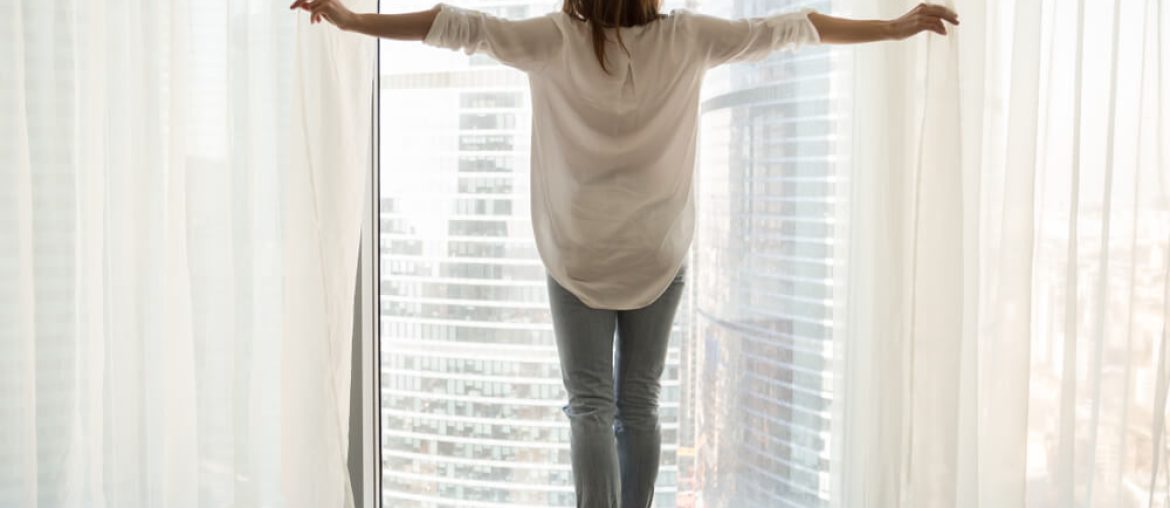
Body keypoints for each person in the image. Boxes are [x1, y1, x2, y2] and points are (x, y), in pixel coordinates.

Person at [290, 0, 958, 506]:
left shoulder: (552, 39)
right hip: (658, 249)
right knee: (638, 401)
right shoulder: (690, 38)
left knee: (588, 404)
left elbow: (453, 24)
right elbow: (797, 26)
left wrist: (349, 20)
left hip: (578, 249)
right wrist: (896, 26)